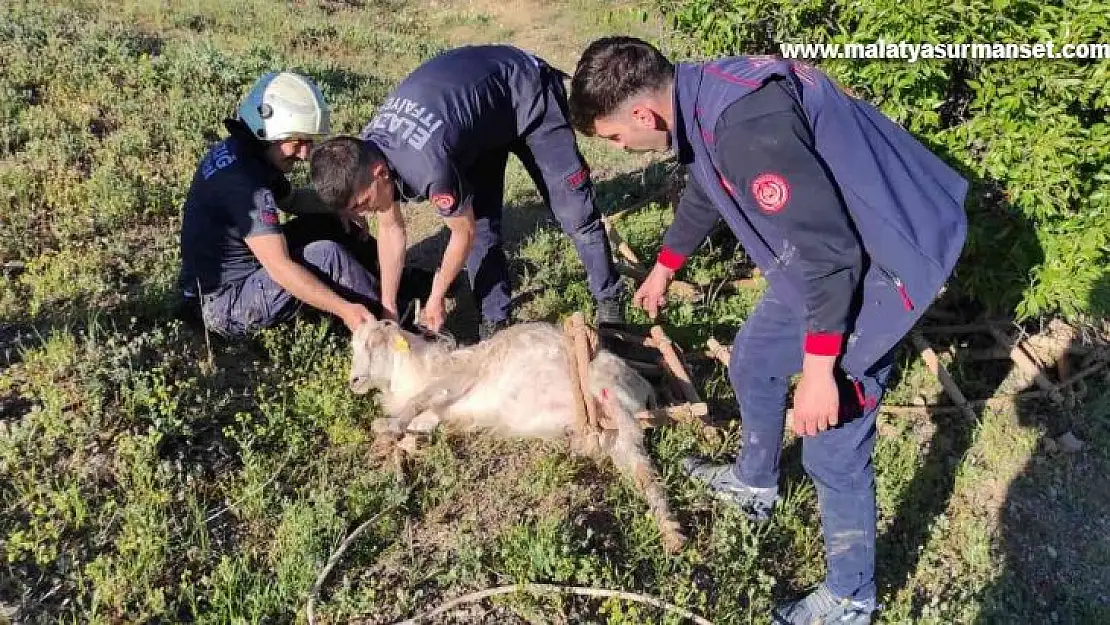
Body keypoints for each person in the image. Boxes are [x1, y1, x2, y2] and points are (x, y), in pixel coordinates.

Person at [568, 37, 968, 623]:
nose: (623, 149)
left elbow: (832, 254)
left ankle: (850, 598)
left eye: (614, 138)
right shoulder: (699, 97)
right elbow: (709, 183)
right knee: (753, 361)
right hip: (826, 256)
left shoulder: (743, 126)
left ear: (640, 114)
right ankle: (755, 484)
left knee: (832, 437)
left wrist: (819, 372)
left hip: (884, 260)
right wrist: (666, 264)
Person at [309, 45, 625, 340]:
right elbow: (391, 227)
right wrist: (388, 308)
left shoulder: (427, 166)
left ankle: (610, 303)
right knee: (485, 227)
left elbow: (462, 234)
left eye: (363, 204)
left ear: (380, 174)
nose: (364, 213)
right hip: (477, 123)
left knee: (575, 213)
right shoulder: (367, 152)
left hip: (526, 92)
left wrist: (435, 297)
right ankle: (496, 323)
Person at [178, 71, 427, 338]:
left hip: (233, 279)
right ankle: (396, 332)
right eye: (297, 143)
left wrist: (339, 205)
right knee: (326, 256)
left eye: (308, 142)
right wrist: (343, 309)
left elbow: (293, 200)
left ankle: (393, 281)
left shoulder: (246, 154)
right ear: (270, 133)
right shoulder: (247, 187)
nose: (305, 154)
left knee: (331, 220)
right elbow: (280, 268)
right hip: (221, 305)